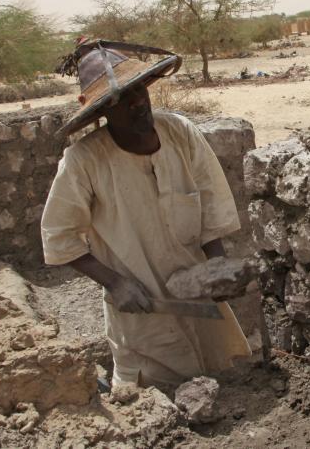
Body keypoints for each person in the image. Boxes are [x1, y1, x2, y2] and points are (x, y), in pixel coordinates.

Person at [41, 39, 251, 389]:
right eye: (121, 98)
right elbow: (59, 236)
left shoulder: (180, 133)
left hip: (198, 299)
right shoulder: (84, 161)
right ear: (103, 111)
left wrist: (215, 267)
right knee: (153, 398)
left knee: (218, 383)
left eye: (139, 89)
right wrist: (115, 283)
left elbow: (211, 205)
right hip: (143, 306)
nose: (137, 102)